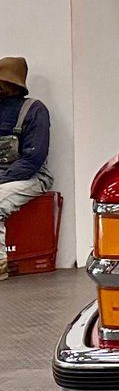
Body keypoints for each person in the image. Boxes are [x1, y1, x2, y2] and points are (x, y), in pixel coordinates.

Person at [0, 57, 52, 280]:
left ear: (11, 85)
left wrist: (3, 178)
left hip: (32, 176)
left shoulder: (34, 110)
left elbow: (33, 159)